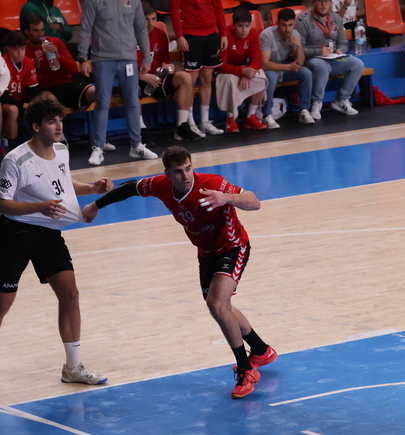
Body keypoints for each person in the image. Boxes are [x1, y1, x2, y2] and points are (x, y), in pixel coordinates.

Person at [82, 146, 277, 400]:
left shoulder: (212, 183)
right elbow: (131, 187)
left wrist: (226, 198)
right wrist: (96, 205)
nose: (185, 176)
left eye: (188, 168)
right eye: (178, 172)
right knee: (219, 305)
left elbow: (254, 201)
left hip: (233, 246)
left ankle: (246, 369)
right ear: (167, 174)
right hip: (206, 253)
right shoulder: (160, 185)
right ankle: (261, 350)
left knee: (218, 305)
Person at [0, 95, 111, 385]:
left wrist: (91, 187)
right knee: (2, 304)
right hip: (14, 233)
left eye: (59, 119)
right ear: (36, 127)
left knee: (70, 294)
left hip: (47, 233)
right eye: (52, 121)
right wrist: (39, 206)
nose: (58, 125)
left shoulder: (61, 150)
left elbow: (62, 181)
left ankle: (73, 368)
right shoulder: (15, 159)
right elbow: (2, 204)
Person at [79, 0, 158, 166]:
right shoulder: (94, 1)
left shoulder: (134, 1)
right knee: (102, 102)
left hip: (129, 58)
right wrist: (82, 58)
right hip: (103, 59)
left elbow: (141, 29)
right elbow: (85, 29)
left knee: (132, 101)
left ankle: (136, 145)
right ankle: (98, 148)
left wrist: (146, 58)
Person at [137, 2, 197, 141]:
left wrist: (168, 67)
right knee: (130, 87)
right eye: (146, 19)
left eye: (154, 19)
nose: (151, 23)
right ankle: (141, 130)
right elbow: (124, 67)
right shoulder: (129, 36)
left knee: (185, 77)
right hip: (135, 79)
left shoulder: (160, 33)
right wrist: (142, 76)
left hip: (156, 78)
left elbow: (164, 60)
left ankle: (182, 126)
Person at [295, 0, 364, 118]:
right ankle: (316, 103)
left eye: (326, 1)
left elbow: (343, 42)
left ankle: (341, 100)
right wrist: (318, 51)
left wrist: (340, 51)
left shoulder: (336, 18)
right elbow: (298, 48)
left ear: (331, 3)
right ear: (313, 3)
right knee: (322, 66)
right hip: (312, 58)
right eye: (320, 1)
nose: (323, 5)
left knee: (357, 64)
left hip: (333, 58)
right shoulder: (303, 20)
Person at [169, 0, 228, 136]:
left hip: (211, 34)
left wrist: (223, 32)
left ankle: (205, 121)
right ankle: (189, 123)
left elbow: (217, 7)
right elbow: (174, 10)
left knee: (207, 77)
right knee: (191, 79)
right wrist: (179, 36)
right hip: (191, 35)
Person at [23, 14, 96, 111]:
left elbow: (74, 69)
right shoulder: (23, 50)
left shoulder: (55, 42)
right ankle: (58, 125)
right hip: (43, 90)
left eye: (42, 30)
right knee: (50, 101)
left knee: (97, 93)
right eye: (36, 31)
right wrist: (35, 65)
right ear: (27, 32)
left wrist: (58, 56)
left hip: (65, 86)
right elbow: (25, 82)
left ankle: (100, 124)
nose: (40, 34)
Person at [217, 7, 269, 133]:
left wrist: (248, 72)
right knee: (229, 81)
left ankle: (250, 116)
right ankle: (230, 119)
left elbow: (257, 60)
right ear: (233, 25)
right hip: (225, 71)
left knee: (261, 76)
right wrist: (241, 71)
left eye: (247, 25)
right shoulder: (225, 35)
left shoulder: (253, 33)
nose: (244, 29)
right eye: (240, 26)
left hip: (242, 68)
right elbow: (220, 65)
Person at [260, 8, 314, 128]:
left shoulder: (295, 34)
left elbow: (300, 61)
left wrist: (298, 45)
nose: (287, 29)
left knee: (306, 73)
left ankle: (304, 110)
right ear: (277, 22)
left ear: (294, 23)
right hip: (268, 69)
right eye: (284, 25)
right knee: (271, 77)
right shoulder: (267, 35)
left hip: (284, 68)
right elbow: (264, 63)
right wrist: (288, 66)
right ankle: (267, 115)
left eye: (290, 25)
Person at [2, 32, 40, 145]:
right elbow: (4, 97)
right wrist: (24, 105)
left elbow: (33, 90)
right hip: (5, 102)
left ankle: (41, 145)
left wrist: (34, 104)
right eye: (15, 49)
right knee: (13, 110)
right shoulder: (2, 64)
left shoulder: (28, 62)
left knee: (43, 103)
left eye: (22, 49)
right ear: (8, 48)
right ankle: (12, 146)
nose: (19, 53)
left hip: (22, 100)